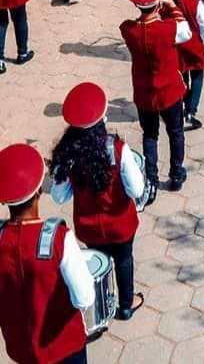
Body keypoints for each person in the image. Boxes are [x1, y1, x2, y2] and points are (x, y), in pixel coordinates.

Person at [50, 82, 145, 321]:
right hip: (121, 224)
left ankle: (100, 312)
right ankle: (126, 304)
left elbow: (59, 196)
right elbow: (136, 188)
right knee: (124, 260)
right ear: (102, 117)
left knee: (98, 265)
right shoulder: (118, 149)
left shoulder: (68, 154)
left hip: (89, 227)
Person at [0, 143, 95, 364]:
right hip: (64, 348)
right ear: (39, 191)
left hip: (22, 350)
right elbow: (85, 297)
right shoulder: (59, 237)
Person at [120, 0, 191, 199]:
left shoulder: (128, 30)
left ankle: (151, 179)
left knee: (150, 135)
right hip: (169, 92)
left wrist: (159, 4)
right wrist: (170, 4)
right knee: (175, 132)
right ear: (158, 3)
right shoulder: (168, 28)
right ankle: (176, 173)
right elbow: (185, 31)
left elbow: (142, 24)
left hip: (144, 93)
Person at [161, 0, 204, 130]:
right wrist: (200, 40)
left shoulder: (164, 7)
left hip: (175, 48)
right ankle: (191, 111)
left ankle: (182, 106)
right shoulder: (195, 3)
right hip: (194, 45)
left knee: (182, 78)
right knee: (198, 76)